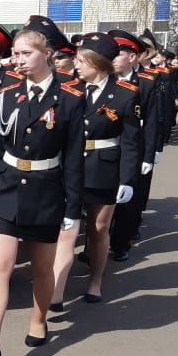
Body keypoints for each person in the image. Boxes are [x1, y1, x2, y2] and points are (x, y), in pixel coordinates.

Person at [0, 18, 84, 356]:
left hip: (45, 190)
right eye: (15, 53)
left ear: (46, 54)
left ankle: (38, 319)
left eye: (25, 53)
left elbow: (74, 156)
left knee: (41, 268)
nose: (17, 59)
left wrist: (72, 207)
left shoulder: (69, 97)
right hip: (5, 187)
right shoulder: (6, 96)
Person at [50, 32, 142, 309]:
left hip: (103, 168)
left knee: (99, 229)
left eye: (81, 60)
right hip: (70, 167)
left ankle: (95, 280)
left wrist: (127, 179)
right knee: (67, 229)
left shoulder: (126, 94)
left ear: (98, 63)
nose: (75, 65)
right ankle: (55, 291)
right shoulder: (67, 88)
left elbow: (130, 142)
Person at [106, 30, 161, 261]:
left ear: (131, 57)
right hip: (106, 147)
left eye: (117, 54)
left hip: (134, 148)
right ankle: (95, 246)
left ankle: (120, 244)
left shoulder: (146, 83)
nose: (112, 59)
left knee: (128, 200)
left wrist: (150, 155)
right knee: (104, 199)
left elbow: (151, 122)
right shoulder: (104, 80)